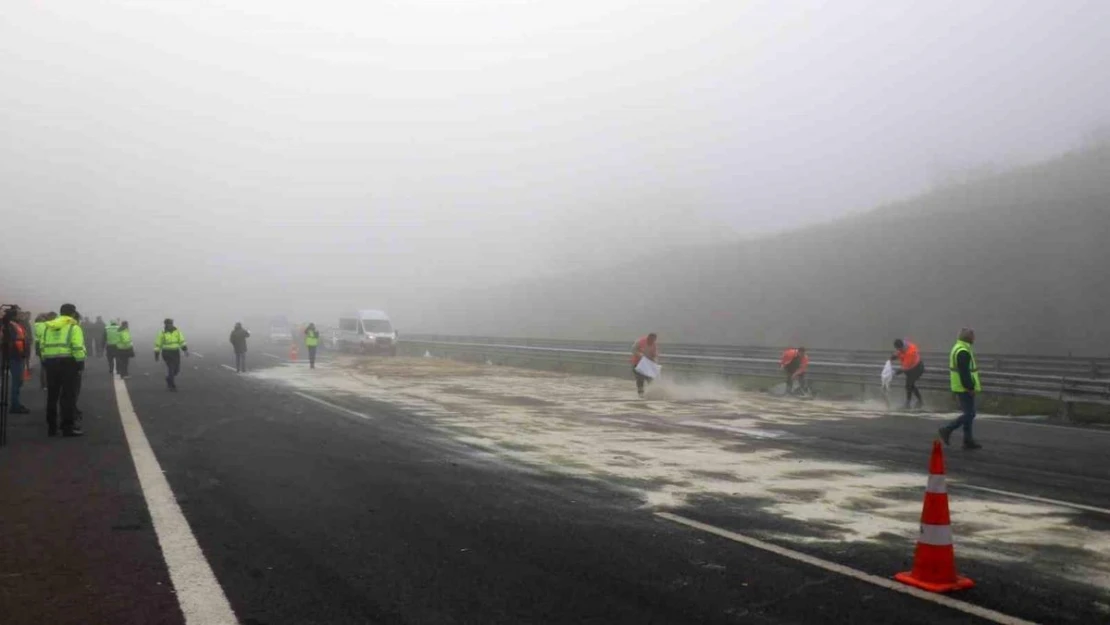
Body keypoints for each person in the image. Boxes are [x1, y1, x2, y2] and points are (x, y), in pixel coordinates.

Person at [41, 304, 87, 437]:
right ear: (73, 314)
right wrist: (80, 363)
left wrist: (45, 360)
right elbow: (77, 347)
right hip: (69, 363)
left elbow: (43, 346)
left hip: (50, 363)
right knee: (68, 396)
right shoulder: (74, 327)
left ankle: (51, 427)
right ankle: (67, 427)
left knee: (52, 396)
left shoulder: (48, 327)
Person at [938, 328, 982, 450]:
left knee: (968, 413)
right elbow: (964, 372)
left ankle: (967, 440)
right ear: (969, 337)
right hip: (964, 387)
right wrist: (970, 387)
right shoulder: (963, 351)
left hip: (959, 386)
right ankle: (947, 429)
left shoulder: (958, 348)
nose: (974, 338)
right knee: (970, 413)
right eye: (973, 336)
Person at [4, 306, 31, 414]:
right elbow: (13, 342)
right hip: (15, 356)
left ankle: (16, 404)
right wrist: (21, 352)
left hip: (18, 356)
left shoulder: (15, 325)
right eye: (19, 313)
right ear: (14, 315)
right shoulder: (10, 326)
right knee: (17, 382)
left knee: (19, 382)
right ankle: (15, 406)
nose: (21, 315)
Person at [154, 318, 188, 391]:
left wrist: (185, 350)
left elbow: (181, 341)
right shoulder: (162, 333)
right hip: (167, 353)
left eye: (171, 323)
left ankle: (169, 378)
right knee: (171, 368)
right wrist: (156, 354)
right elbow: (158, 344)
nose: (170, 325)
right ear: (165, 324)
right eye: (168, 324)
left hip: (175, 352)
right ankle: (171, 385)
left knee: (177, 369)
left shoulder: (177, 331)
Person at [893, 338, 925, 409]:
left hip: (917, 368)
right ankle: (919, 401)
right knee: (910, 385)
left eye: (898, 349)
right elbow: (899, 353)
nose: (898, 350)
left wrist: (895, 373)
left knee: (909, 384)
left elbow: (905, 367)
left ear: (901, 347)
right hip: (911, 368)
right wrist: (893, 357)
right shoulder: (904, 347)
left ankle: (908, 403)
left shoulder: (910, 352)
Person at [630, 333, 659, 397]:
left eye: (653, 340)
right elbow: (633, 349)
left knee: (650, 379)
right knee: (640, 379)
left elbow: (655, 355)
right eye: (651, 340)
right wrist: (640, 355)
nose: (652, 341)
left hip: (647, 365)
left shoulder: (654, 345)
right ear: (648, 338)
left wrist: (654, 361)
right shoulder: (640, 342)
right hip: (637, 364)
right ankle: (640, 394)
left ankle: (652, 393)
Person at [34, 312, 56, 391]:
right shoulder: (41, 325)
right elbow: (44, 336)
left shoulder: (39, 325)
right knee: (45, 366)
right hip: (42, 345)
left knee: (44, 366)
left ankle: (45, 384)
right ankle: (45, 384)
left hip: (40, 345)